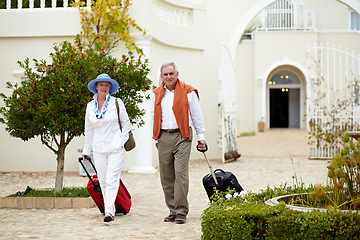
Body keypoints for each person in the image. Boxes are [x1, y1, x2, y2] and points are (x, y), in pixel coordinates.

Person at [151, 62, 207, 224]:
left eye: (171, 73)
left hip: (182, 135)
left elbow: (196, 115)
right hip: (163, 136)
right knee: (166, 176)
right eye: (165, 74)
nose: (169, 77)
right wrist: (155, 137)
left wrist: (201, 136)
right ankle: (172, 210)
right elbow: (152, 117)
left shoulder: (188, 92)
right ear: (161, 76)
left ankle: (181, 211)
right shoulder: (156, 94)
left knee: (180, 174)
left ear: (177, 74)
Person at [82, 73, 131, 222]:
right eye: (101, 84)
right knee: (102, 180)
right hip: (99, 149)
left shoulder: (117, 102)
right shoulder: (90, 106)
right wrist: (86, 150)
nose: (104, 87)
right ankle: (109, 207)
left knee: (112, 178)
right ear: (96, 87)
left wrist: (121, 142)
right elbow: (89, 129)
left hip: (116, 148)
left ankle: (109, 211)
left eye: (107, 85)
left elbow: (126, 124)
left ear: (110, 87)